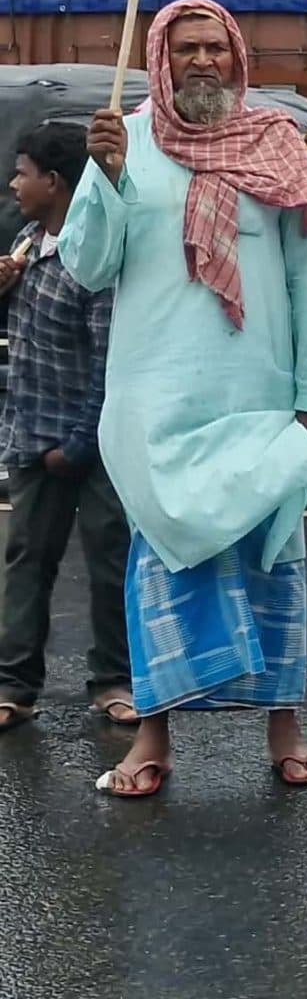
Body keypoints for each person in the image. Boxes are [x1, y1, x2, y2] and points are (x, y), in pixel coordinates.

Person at [65, 0, 307, 799]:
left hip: (258, 389)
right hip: (158, 397)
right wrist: (106, 178)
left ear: (238, 54)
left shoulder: (277, 143)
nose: (204, 62)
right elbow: (87, 265)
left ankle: (284, 730)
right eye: (187, 49)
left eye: (216, 47)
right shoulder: (128, 141)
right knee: (163, 561)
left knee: (273, 557)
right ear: (160, 59)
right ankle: (154, 737)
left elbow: (305, 281)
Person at [0, 121, 129, 732]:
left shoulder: (89, 257)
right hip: (31, 436)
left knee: (109, 558)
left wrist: (76, 445)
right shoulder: (26, 244)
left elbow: (108, 361)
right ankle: (14, 685)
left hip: (88, 444)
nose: (14, 183)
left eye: (22, 173)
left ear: (54, 182)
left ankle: (114, 681)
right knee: (26, 559)